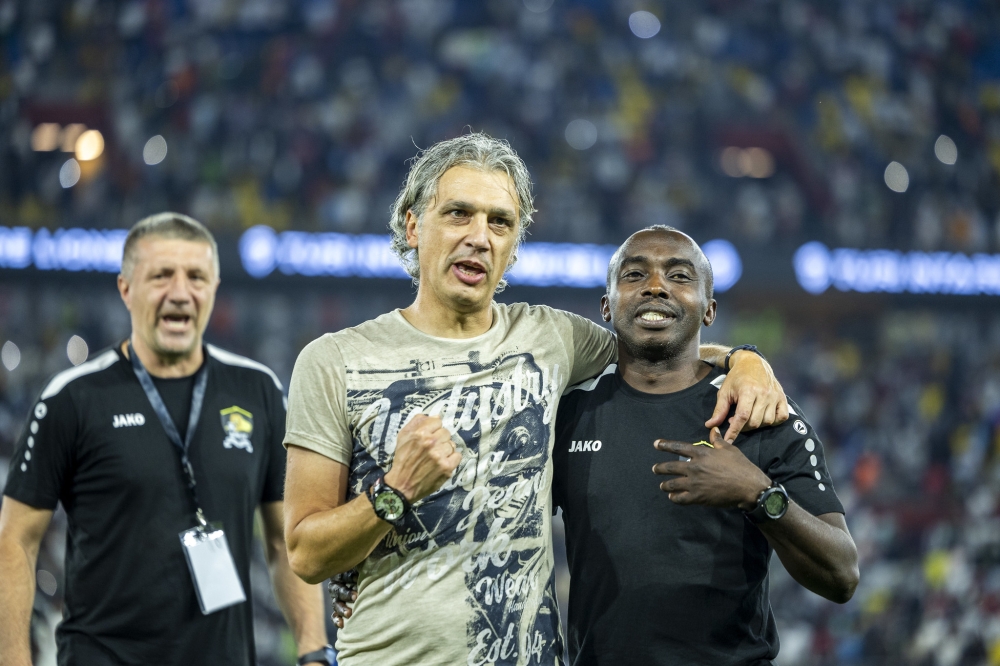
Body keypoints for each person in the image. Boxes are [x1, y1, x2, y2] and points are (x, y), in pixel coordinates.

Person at [282, 133, 789, 666]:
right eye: (459, 214)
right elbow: (306, 554)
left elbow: (661, 348)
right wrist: (395, 491)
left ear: (513, 245)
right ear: (413, 225)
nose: (479, 237)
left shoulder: (551, 338)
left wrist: (745, 360)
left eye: (499, 222)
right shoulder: (334, 360)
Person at [0, 213, 331, 666]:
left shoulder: (258, 391)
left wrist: (314, 649)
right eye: (161, 276)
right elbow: (16, 540)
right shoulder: (72, 398)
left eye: (196, 276)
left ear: (214, 288)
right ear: (126, 289)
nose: (180, 291)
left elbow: (283, 541)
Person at [551, 226, 860, 665]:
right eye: (635, 275)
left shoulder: (759, 411)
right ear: (606, 305)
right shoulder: (567, 413)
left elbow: (842, 575)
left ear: (709, 309)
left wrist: (759, 494)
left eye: (679, 276)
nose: (655, 286)